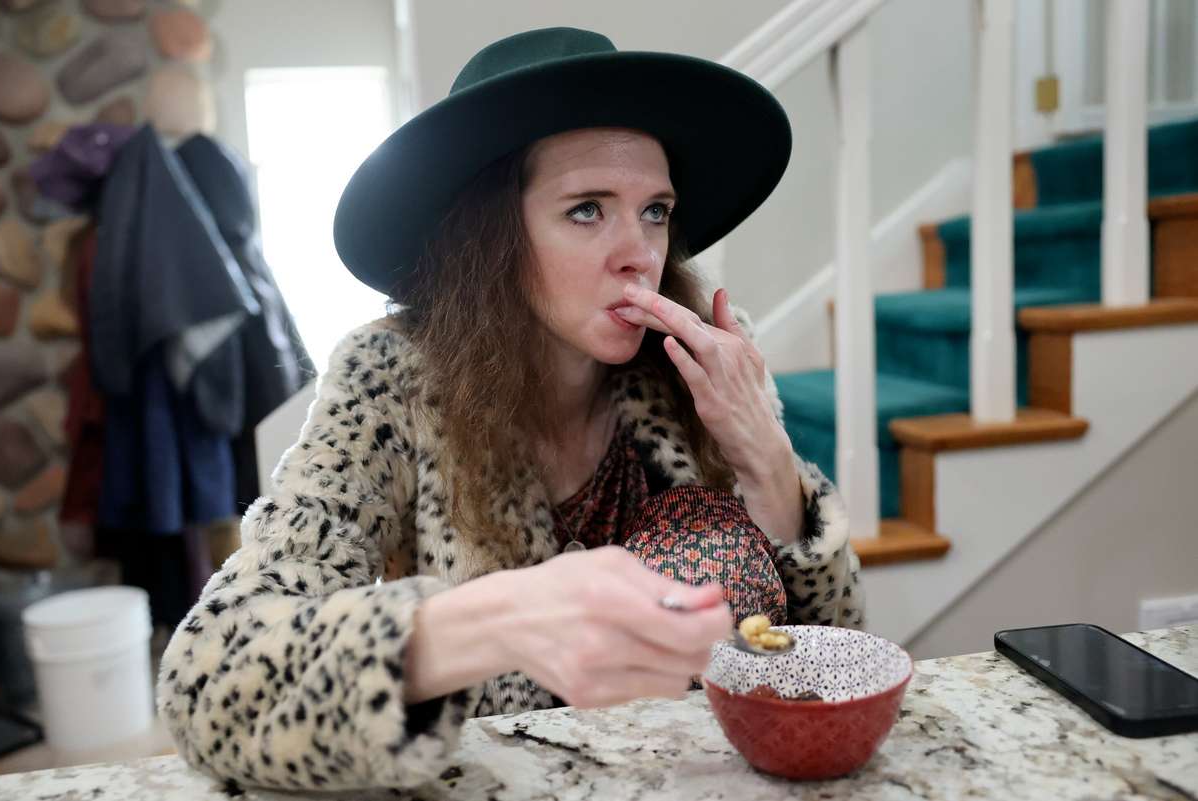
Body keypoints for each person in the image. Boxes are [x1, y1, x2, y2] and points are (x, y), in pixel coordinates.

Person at [157, 27, 865, 791]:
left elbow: (833, 660)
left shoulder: (703, 367)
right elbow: (210, 677)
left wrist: (769, 463)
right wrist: (496, 619)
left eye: (655, 210)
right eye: (587, 210)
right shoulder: (390, 380)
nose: (640, 252)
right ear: (493, 236)